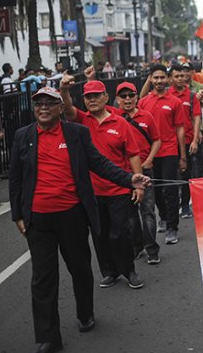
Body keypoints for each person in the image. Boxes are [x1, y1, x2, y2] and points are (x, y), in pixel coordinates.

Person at [9, 86, 150, 353]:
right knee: (42, 278)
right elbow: (15, 179)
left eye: (50, 103)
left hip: (72, 215)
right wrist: (18, 214)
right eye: (39, 104)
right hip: (38, 220)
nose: (44, 108)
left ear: (61, 108)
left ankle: (85, 313)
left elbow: (99, 163)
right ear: (34, 108)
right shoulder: (22, 136)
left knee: (81, 269)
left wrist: (129, 178)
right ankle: (48, 338)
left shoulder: (76, 134)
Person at [60, 76, 145, 290]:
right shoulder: (81, 120)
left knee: (120, 233)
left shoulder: (120, 123)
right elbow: (67, 108)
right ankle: (109, 271)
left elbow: (134, 154)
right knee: (99, 234)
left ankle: (129, 270)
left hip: (118, 189)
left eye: (96, 96)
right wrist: (64, 89)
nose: (92, 100)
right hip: (92, 191)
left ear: (106, 97)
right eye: (88, 97)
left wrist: (138, 184)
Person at [114, 82, 163, 264]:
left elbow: (157, 140)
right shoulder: (113, 117)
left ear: (136, 97)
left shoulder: (146, 116)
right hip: (124, 174)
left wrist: (150, 159)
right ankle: (137, 246)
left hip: (145, 170)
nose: (127, 99)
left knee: (148, 211)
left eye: (131, 95)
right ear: (117, 98)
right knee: (130, 215)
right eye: (123, 96)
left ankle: (152, 249)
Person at [138, 64, 187, 245]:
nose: (159, 81)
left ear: (167, 79)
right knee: (155, 189)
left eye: (162, 78)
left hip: (169, 151)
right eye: (155, 78)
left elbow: (180, 129)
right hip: (150, 153)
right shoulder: (144, 102)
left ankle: (172, 227)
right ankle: (164, 217)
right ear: (150, 79)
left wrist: (182, 156)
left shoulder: (175, 101)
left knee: (170, 189)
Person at [169, 63, 201, 218]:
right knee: (171, 177)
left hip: (187, 140)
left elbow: (196, 118)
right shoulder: (167, 94)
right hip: (169, 143)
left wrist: (195, 140)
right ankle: (171, 209)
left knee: (186, 173)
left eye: (182, 75)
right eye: (177, 76)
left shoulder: (191, 95)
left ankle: (185, 205)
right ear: (171, 78)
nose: (180, 79)